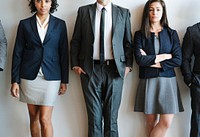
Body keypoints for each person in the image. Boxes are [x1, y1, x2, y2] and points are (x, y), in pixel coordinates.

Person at [70, 0, 133, 136]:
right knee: (94, 119)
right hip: (90, 69)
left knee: (112, 119)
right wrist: (75, 64)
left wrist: (128, 66)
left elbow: (128, 43)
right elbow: (76, 40)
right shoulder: (84, 11)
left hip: (115, 70)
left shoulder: (123, 12)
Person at [10, 0, 69, 137]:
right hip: (29, 76)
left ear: (51, 3)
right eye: (39, 1)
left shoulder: (60, 24)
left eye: (47, 1)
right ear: (34, 3)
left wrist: (64, 81)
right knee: (34, 118)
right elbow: (17, 53)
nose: (43, 5)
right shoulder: (24, 24)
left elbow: (64, 54)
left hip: (51, 76)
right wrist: (14, 80)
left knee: (44, 118)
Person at [133, 0, 183, 137]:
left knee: (166, 122)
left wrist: (150, 60)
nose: (154, 12)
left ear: (163, 12)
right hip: (148, 81)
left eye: (158, 9)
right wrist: (164, 56)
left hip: (168, 81)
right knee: (151, 122)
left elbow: (178, 60)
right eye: (151, 9)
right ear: (147, 12)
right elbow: (139, 60)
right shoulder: (139, 34)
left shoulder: (172, 33)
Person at [181, 22, 200, 137]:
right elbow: (184, 59)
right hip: (198, 83)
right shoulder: (193, 31)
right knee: (197, 122)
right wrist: (190, 81)